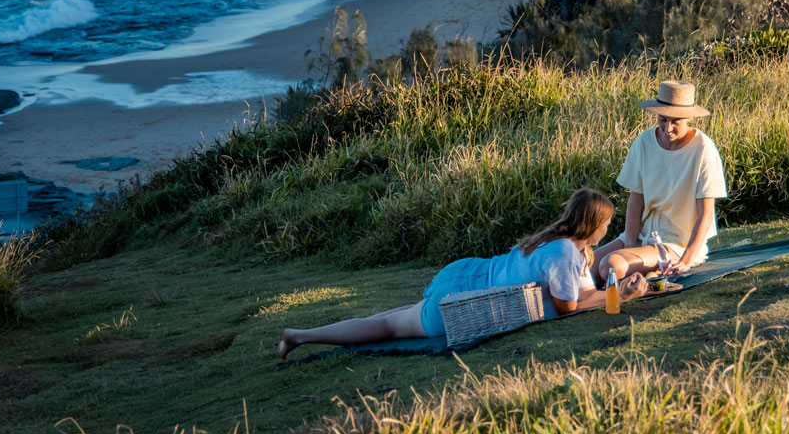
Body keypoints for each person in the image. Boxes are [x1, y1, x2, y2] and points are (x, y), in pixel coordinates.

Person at [277, 189, 647, 358]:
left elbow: (579, 290)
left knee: (387, 320)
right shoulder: (566, 251)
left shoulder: (553, 240)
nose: (606, 230)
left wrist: (609, 286)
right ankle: (300, 336)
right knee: (387, 329)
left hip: (465, 279)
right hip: (463, 305)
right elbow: (569, 306)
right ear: (595, 223)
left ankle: (302, 334)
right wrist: (621, 296)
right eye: (607, 224)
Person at [592, 81, 728, 285]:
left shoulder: (703, 149)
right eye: (663, 120)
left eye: (676, 122)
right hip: (641, 237)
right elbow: (635, 202)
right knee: (584, 268)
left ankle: (635, 282)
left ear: (689, 117)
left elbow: (706, 213)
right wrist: (629, 247)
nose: (668, 128)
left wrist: (686, 260)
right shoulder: (644, 142)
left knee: (610, 265)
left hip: (675, 245)